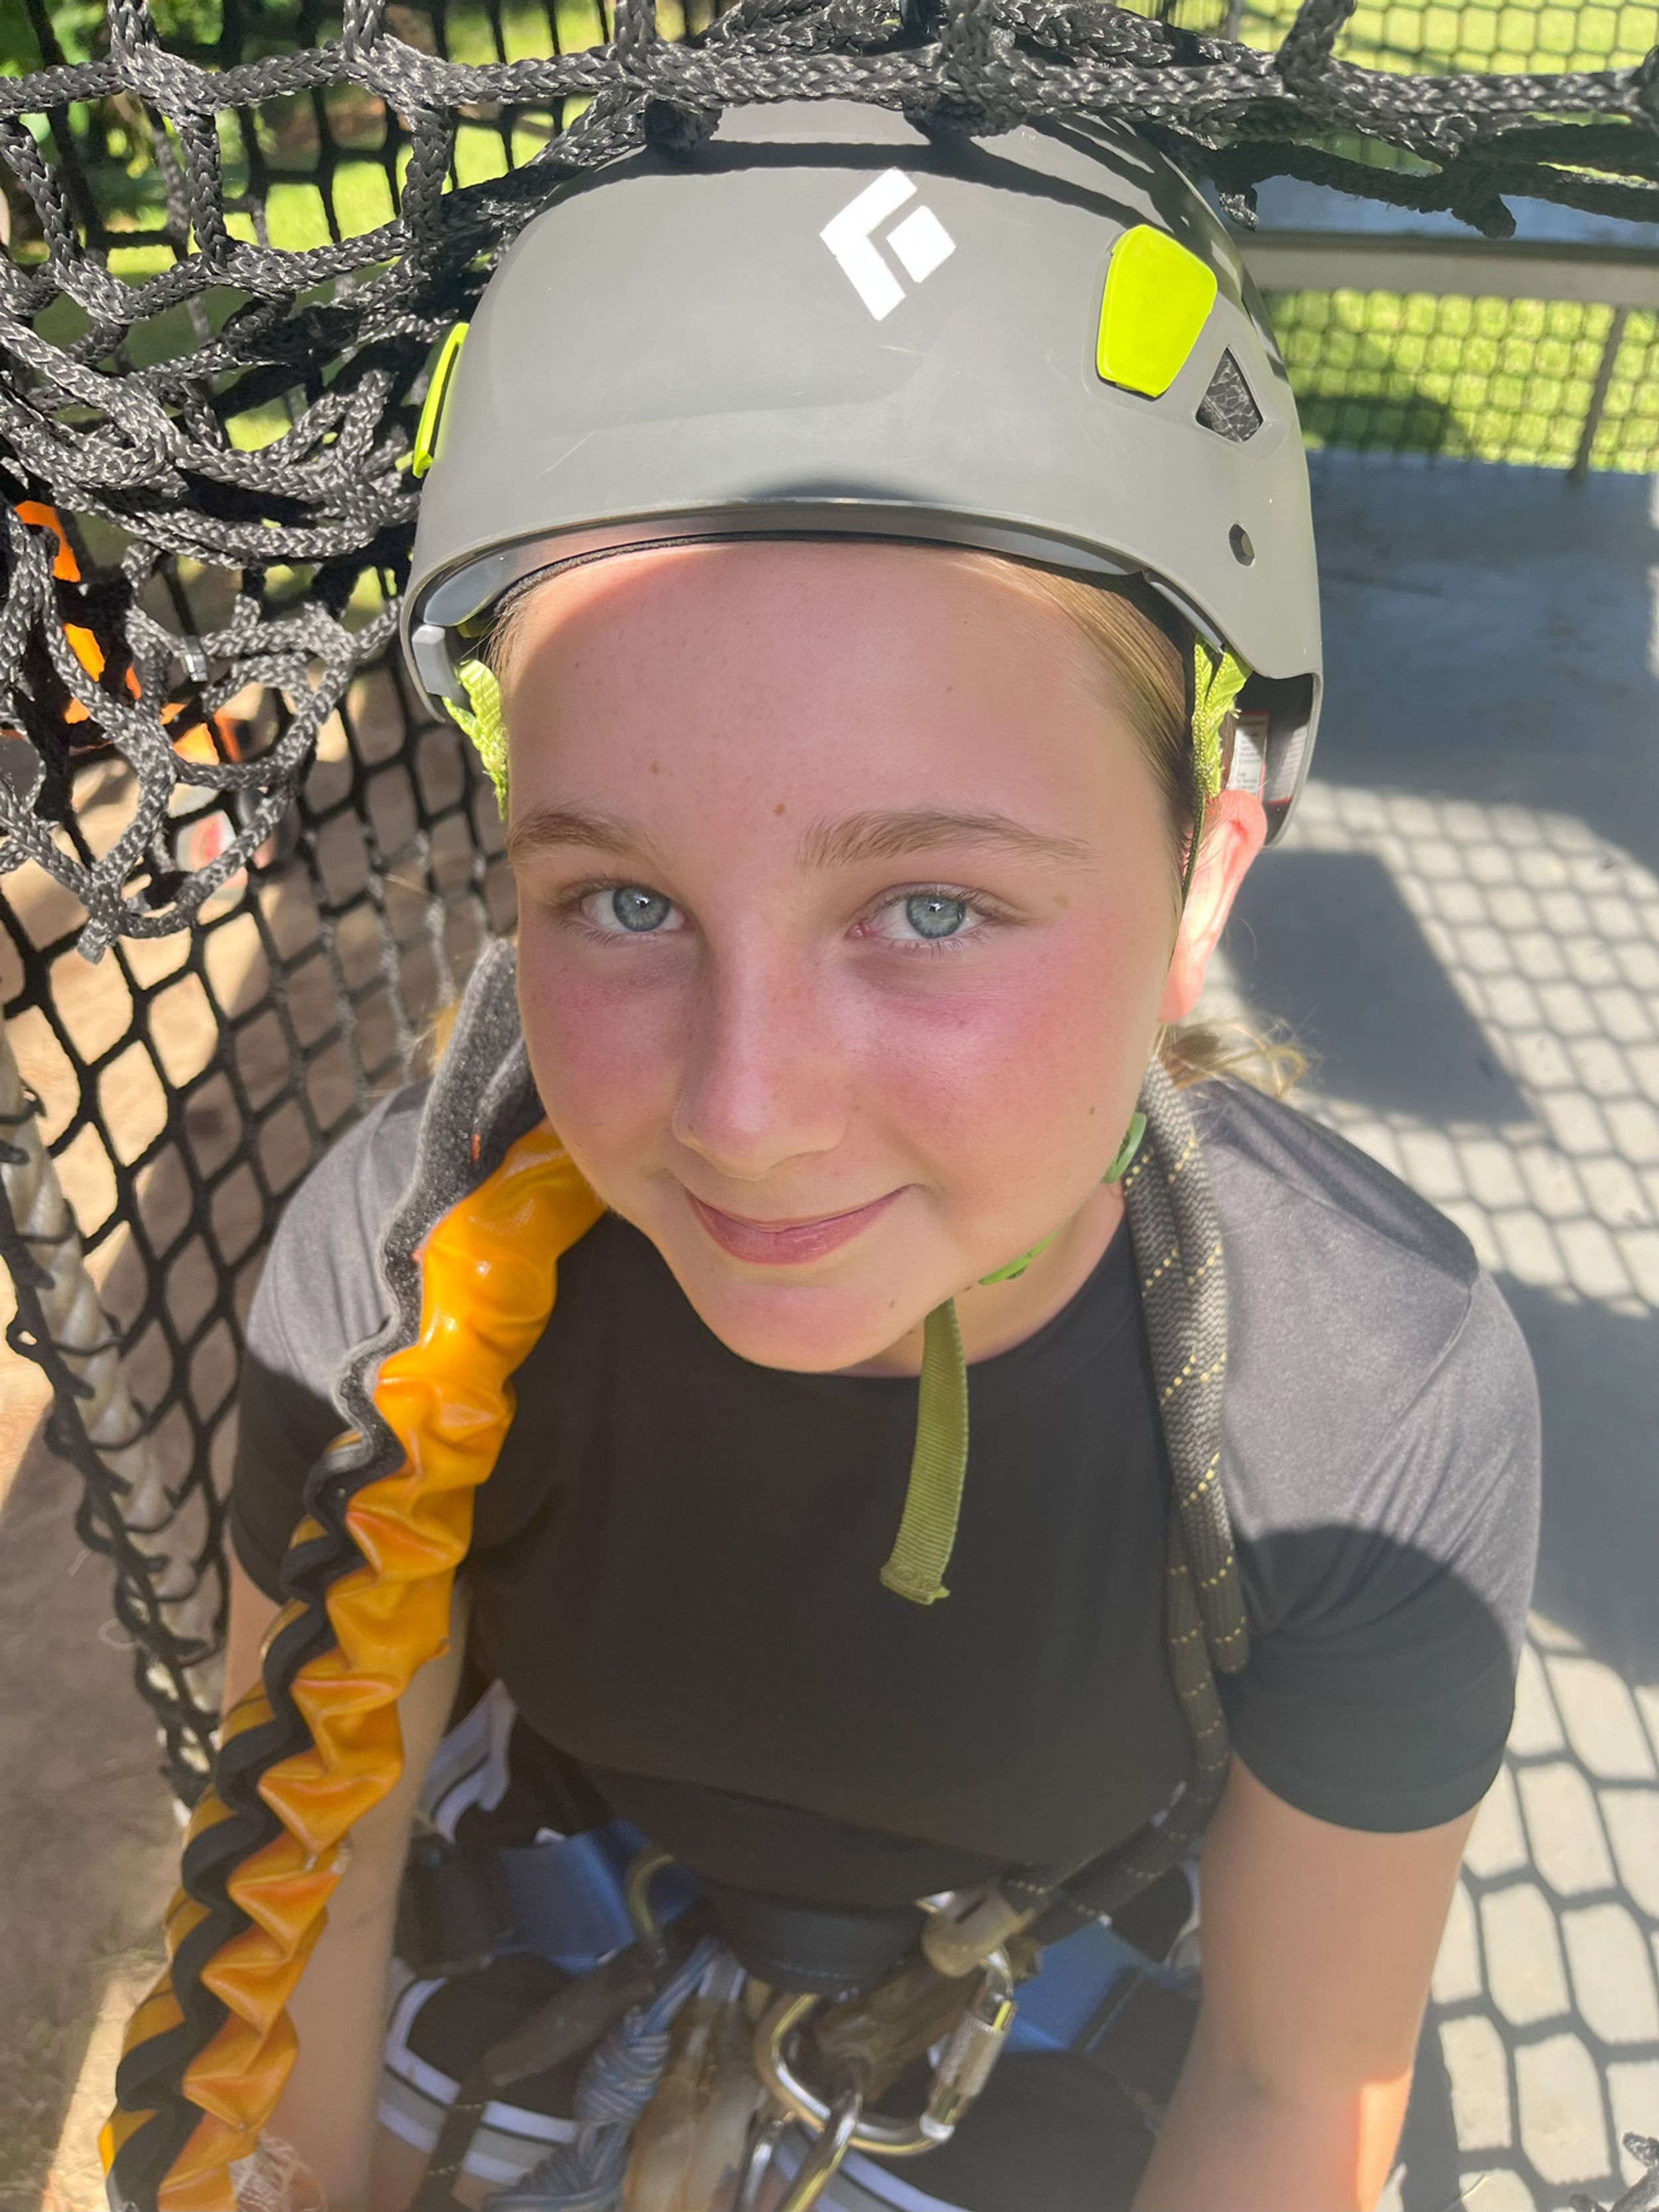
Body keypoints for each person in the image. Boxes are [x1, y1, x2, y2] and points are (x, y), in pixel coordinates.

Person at [187, 99, 1539, 2212]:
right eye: (622, 900)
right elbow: (310, 1890)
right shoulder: (401, 1277)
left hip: (1044, 1980)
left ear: (1202, 877)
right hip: (549, 1897)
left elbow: (1294, 2080)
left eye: (929, 907)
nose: (740, 1117)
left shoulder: (1363, 1413)